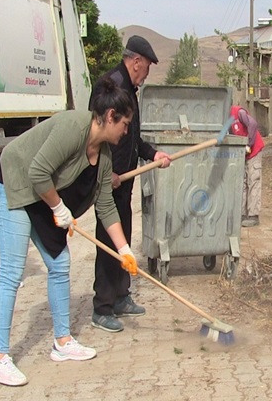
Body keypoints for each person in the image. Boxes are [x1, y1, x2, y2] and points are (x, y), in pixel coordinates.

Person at [0, 78, 140, 386]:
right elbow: (37, 171)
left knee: (60, 264)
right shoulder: (73, 127)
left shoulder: (105, 155)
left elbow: (106, 206)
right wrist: (58, 208)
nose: (126, 131)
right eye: (124, 124)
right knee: (13, 271)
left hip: (40, 194)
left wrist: (124, 250)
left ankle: (62, 343)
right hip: (13, 183)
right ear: (110, 116)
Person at [89, 35, 171, 333]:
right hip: (110, 180)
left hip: (125, 180)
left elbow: (132, 138)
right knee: (109, 242)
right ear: (136, 61)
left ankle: (121, 296)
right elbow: (96, 132)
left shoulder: (130, 89)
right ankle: (102, 307)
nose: (146, 74)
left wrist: (153, 153)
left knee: (123, 236)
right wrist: (104, 172)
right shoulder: (109, 85)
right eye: (146, 68)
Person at [229, 105, 264, 227]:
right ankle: (243, 214)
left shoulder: (238, 112)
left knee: (253, 180)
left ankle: (253, 215)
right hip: (242, 154)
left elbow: (253, 124)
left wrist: (249, 143)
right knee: (242, 182)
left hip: (253, 150)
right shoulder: (226, 121)